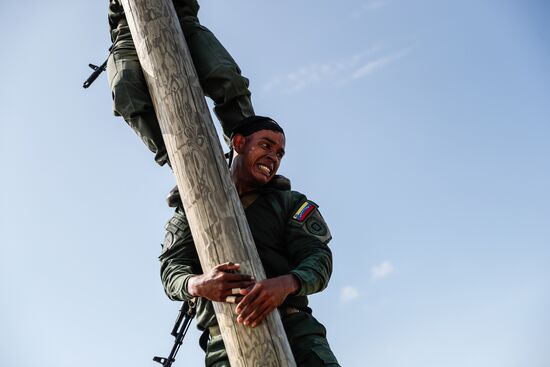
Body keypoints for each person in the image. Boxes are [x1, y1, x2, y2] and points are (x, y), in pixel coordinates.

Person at [159, 116, 340, 366]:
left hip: (296, 334)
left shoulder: (289, 203)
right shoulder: (192, 206)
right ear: (239, 143)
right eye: (266, 146)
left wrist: (286, 284)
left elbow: (318, 258)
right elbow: (171, 270)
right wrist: (198, 284)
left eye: (279, 154)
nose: (273, 158)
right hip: (225, 344)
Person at [107, 0, 255, 166]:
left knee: (225, 75)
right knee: (124, 87)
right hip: (127, 30)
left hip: (182, 19)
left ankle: (249, 157)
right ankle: (180, 163)